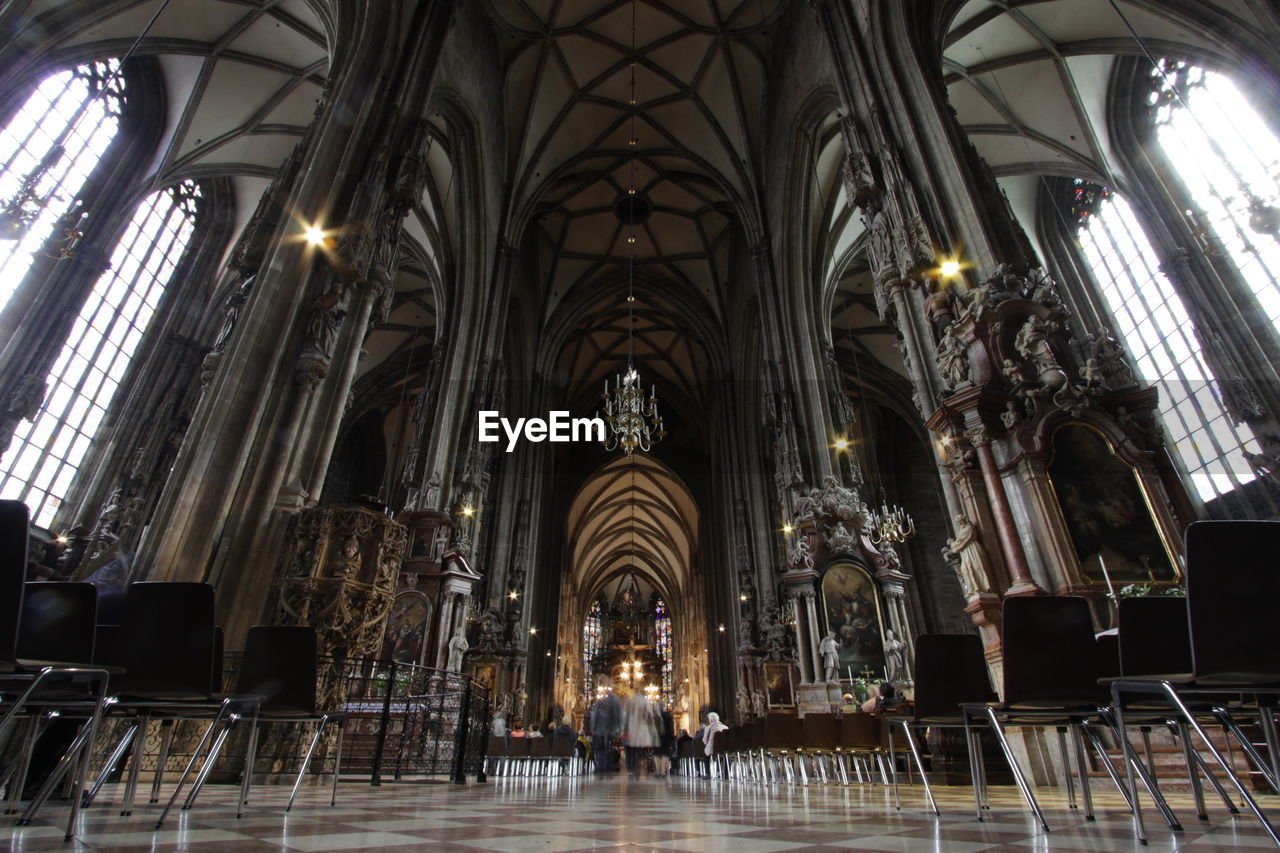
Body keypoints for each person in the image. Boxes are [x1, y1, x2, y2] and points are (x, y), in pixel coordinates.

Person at [623, 691, 659, 777]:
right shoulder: (644, 704)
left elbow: (623, 720)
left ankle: (630, 769)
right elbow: (649, 716)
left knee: (629, 753)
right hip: (635, 733)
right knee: (634, 752)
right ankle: (633, 768)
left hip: (628, 733)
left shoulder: (629, 707)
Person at [589, 686, 622, 772]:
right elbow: (616, 717)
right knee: (606, 748)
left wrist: (593, 729)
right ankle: (605, 766)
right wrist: (617, 729)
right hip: (608, 731)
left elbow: (595, 717)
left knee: (601, 749)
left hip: (600, 731)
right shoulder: (612, 705)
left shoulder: (600, 704)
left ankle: (601, 766)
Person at [654, 706, 675, 777]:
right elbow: (671, 729)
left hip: (656, 737)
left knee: (657, 754)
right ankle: (662, 771)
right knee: (664, 754)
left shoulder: (655, 717)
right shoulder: (668, 717)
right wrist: (672, 739)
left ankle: (657, 771)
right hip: (666, 738)